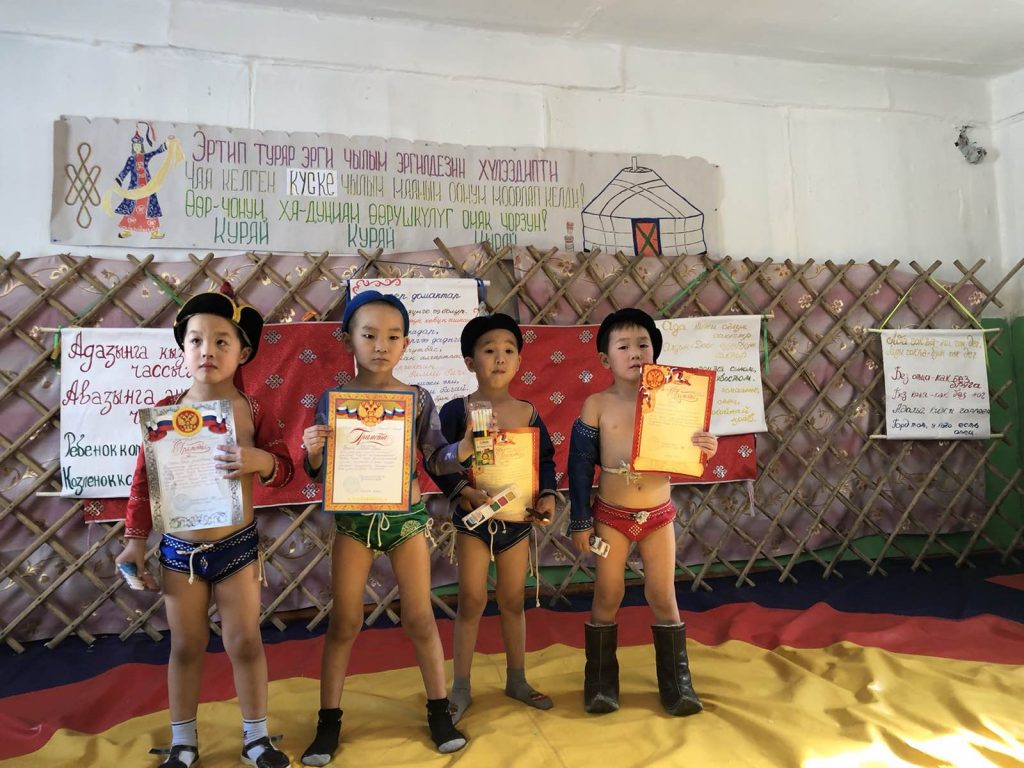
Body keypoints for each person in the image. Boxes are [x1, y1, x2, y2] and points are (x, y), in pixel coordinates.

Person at [116, 283, 294, 768]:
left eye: (221, 341)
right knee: (186, 646)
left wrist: (261, 461)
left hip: (237, 548)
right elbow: (143, 480)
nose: (207, 350)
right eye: (196, 340)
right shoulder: (166, 414)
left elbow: (285, 468)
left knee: (245, 643)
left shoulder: (254, 410)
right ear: (182, 348)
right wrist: (134, 541)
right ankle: (183, 742)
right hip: (180, 553)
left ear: (243, 352)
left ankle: (256, 738)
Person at [299, 291, 472, 765]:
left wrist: (464, 449)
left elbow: (437, 458)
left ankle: (439, 712)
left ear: (406, 344)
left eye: (393, 336)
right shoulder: (333, 401)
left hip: (407, 520)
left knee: (420, 618)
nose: (381, 345)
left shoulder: (417, 399)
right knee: (344, 622)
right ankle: (328, 722)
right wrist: (312, 451)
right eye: (370, 335)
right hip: (354, 522)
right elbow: (319, 472)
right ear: (348, 340)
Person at [567, 308, 718, 716]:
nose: (635, 352)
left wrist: (705, 448)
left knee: (662, 595)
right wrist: (580, 521)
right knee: (608, 592)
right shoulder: (596, 404)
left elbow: (690, 456)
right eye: (624, 346)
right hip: (611, 517)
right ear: (605, 358)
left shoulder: (675, 399)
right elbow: (579, 466)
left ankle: (678, 685)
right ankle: (600, 683)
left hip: (657, 516)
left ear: (655, 351)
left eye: (643, 344)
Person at [430, 314, 557, 724]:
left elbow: (546, 461)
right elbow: (437, 462)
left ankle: (517, 679)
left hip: (516, 523)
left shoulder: (528, 412)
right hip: (473, 522)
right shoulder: (456, 411)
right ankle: (460, 686)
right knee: (471, 600)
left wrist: (548, 496)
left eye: (508, 350)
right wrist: (463, 492)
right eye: (489, 350)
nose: (499, 358)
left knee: (512, 600)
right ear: (470, 362)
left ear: (519, 361)